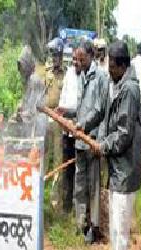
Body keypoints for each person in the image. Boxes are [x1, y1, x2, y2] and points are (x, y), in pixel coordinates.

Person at [84, 40, 141, 250]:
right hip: (118, 169)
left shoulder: (129, 90)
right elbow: (103, 114)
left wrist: (102, 146)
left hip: (125, 170)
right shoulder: (116, 85)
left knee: (118, 231)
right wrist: (83, 126)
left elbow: (124, 134)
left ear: (121, 65)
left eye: (111, 65)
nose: (108, 70)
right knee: (118, 228)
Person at [75, 40, 108, 243]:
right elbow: (82, 106)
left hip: (92, 139)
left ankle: (94, 227)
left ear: (91, 56)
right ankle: (81, 223)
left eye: (81, 57)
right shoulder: (82, 76)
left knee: (94, 185)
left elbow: (100, 111)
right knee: (80, 184)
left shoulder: (101, 77)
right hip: (79, 139)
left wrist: (99, 140)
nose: (78, 61)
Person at [56, 48, 82, 213]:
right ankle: (66, 207)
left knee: (80, 170)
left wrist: (69, 111)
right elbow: (63, 98)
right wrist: (62, 113)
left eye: (77, 59)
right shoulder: (69, 74)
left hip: (81, 130)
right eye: (72, 59)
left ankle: (78, 206)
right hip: (67, 129)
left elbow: (82, 106)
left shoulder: (87, 75)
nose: (74, 62)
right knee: (67, 168)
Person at [44, 38, 65, 209]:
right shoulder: (46, 72)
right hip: (45, 118)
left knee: (58, 160)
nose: (54, 57)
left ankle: (54, 199)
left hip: (58, 120)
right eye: (52, 54)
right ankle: (39, 195)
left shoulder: (66, 74)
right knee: (43, 157)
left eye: (57, 54)